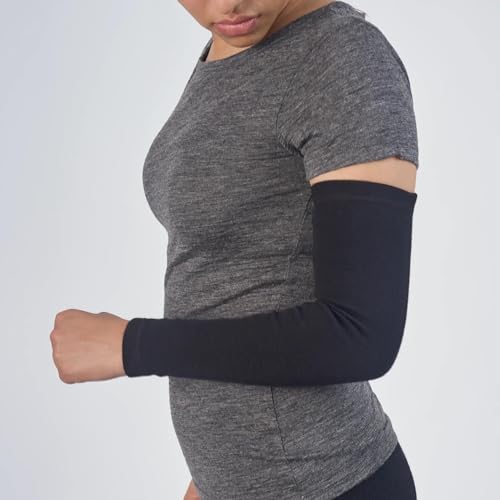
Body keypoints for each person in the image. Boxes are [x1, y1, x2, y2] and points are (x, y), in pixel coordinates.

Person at [50, 1, 419, 498]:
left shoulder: (342, 58)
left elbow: (360, 335)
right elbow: (234, 269)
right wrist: (213, 479)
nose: (226, 3)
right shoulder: (232, 40)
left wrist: (131, 346)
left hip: (325, 484)